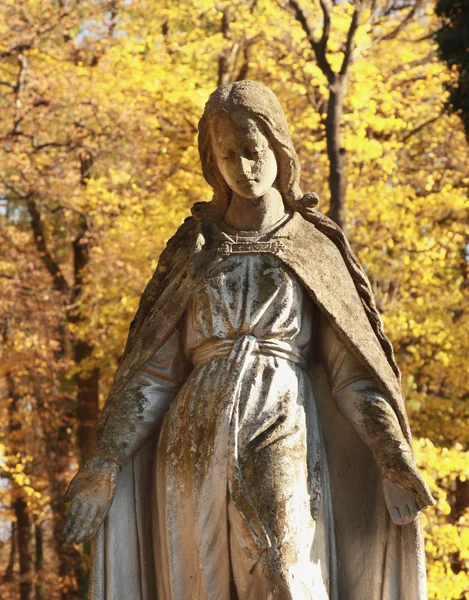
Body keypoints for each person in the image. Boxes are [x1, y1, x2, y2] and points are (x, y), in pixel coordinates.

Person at [63, 81, 434, 600]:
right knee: (200, 585)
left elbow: (354, 372)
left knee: (288, 574)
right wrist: (105, 462)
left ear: (278, 148)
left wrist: (390, 454)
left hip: (283, 419)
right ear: (213, 163)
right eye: (228, 154)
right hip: (193, 436)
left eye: (253, 150)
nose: (244, 166)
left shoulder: (312, 246)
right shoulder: (194, 249)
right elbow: (152, 374)